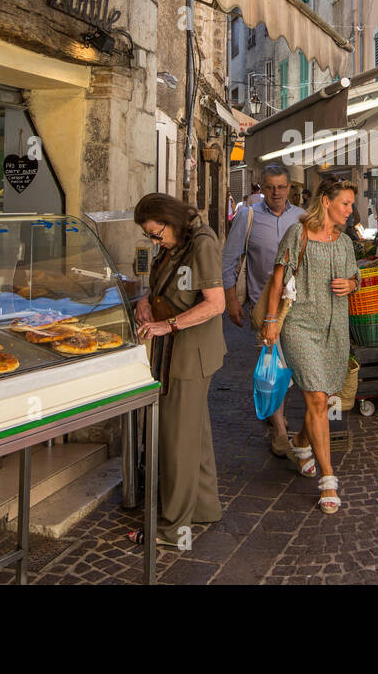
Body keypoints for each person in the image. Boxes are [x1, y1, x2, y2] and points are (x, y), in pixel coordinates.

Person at [129, 193, 226, 547]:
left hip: (189, 354)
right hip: (178, 351)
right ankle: (203, 507)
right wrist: (145, 299)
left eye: (156, 234)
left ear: (171, 221)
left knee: (176, 441)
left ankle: (172, 528)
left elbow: (215, 304)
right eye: (151, 237)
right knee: (193, 436)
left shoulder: (201, 243)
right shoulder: (176, 243)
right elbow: (166, 285)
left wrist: (167, 324)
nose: (155, 241)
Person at [261, 178, 360, 513]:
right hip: (300, 326)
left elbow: (355, 278)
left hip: (334, 326)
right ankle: (328, 480)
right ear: (327, 202)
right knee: (317, 397)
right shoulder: (298, 233)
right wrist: (271, 321)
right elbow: (278, 278)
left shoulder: (345, 242)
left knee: (325, 394)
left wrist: (351, 283)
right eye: (345, 203)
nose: (350, 209)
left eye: (351, 203)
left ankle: (302, 443)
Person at [220, 163, 304, 457]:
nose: (276, 193)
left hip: (299, 305)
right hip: (263, 307)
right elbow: (229, 260)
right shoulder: (248, 216)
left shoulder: (301, 218)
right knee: (274, 366)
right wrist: (231, 301)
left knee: (293, 366)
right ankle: (279, 431)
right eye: (270, 187)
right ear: (261, 187)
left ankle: (275, 414)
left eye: (281, 187)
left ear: (290, 187)